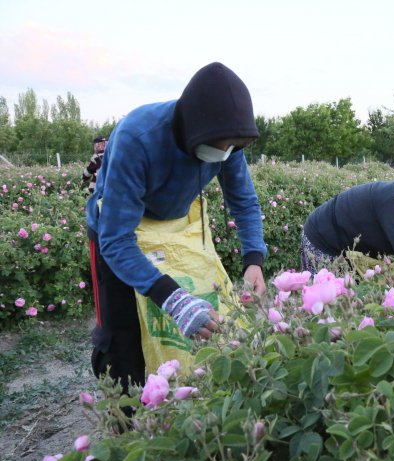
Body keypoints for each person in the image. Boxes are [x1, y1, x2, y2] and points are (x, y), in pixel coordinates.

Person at [86, 62, 266, 395]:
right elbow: (115, 239)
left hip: (176, 225)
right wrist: (171, 298)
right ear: (193, 130)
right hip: (120, 228)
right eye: (220, 146)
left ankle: (185, 397)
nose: (224, 153)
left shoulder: (227, 144)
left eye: (233, 147)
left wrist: (253, 259)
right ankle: (125, 420)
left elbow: (244, 202)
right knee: (121, 333)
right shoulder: (138, 137)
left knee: (196, 310)